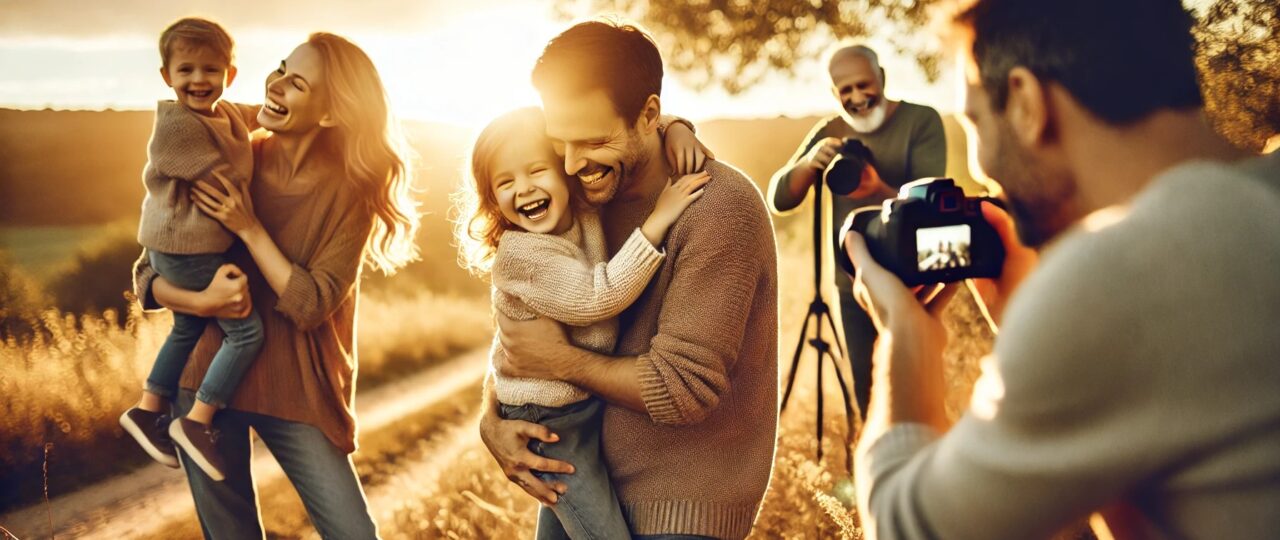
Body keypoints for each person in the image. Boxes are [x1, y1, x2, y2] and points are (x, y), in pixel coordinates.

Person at [845, 0, 1280, 538]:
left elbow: (904, 528)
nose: (981, 167)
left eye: (975, 121)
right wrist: (1028, 312)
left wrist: (905, 339)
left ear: (1027, 102)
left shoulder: (1120, 273)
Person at [480, 20, 779, 540]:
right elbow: (528, 317)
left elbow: (681, 389)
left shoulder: (720, 209)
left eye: (593, 140)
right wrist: (490, 420)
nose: (572, 163)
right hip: (581, 474)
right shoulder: (579, 196)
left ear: (649, 114)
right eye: (560, 143)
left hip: (683, 505)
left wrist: (560, 362)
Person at [131, 32, 418, 539]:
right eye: (281, 68)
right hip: (203, 386)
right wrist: (200, 300)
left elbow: (312, 303)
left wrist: (248, 227)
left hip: (298, 388)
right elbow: (149, 274)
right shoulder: (227, 152)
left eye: (297, 83)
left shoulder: (350, 192)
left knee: (353, 532)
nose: (276, 84)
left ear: (329, 113)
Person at [455, 106, 711, 539]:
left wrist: (675, 128)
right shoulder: (521, 254)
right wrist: (659, 220)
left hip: (578, 410)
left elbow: (622, 130)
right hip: (551, 423)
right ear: (491, 199)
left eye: (536, 170)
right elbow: (597, 297)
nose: (524, 189)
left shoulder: (582, 213)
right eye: (505, 182)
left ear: (564, 170)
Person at [766, 44, 947, 420]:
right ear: (835, 94)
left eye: (863, 85)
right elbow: (779, 198)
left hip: (915, 282)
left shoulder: (921, 121)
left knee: (920, 391)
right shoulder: (830, 131)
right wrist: (806, 165)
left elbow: (933, 204)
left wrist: (877, 188)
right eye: (844, 90)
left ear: (882, 77)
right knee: (869, 398)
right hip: (852, 284)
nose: (857, 97)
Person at [120, 16, 265, 483]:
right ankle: (197, 422)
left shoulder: (219, 113)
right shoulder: (178, 126)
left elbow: (253, 115)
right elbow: (225, 184)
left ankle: (148, 407)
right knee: (245, 334)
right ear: (167, 77)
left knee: (185, 328)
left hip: (176, 249)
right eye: (186, 71)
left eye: (210, 70)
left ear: (229, 75)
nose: (198, 81)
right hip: (188, 250)